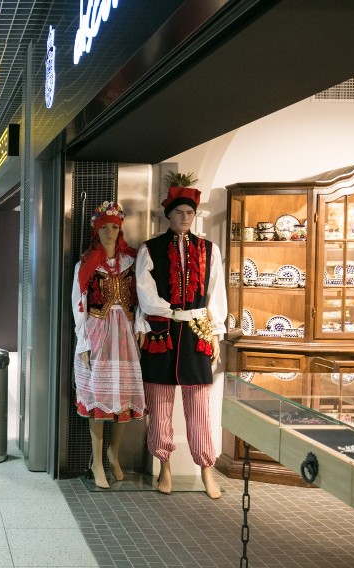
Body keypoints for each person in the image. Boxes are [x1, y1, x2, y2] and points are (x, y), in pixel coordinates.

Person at [135, 184, 227, 499]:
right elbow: (146, 295)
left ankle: (206, 469)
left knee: (200, 404)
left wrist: (216, 331)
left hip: (198, 332)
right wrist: (169, 312)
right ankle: (165, 467)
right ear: (169, 215)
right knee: (159, 403)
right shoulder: (150, 248)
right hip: (163, 332)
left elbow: (216, 293)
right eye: (180, 212)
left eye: (190, 213)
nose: (185, 217)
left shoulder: (209, 249)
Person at [72, 202, 146, 489]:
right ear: (96, 230)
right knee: (99, 395)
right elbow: (79, 304)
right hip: (98, 333)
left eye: (114, 227)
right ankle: (97, 460)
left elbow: (140, 299)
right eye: (104, 227)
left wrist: (140, 325)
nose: (110, 232)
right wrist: (83, 342)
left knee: (124, 394)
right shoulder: (87, 264)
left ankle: (114, 453)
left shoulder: (132, 261)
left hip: (125, 335)